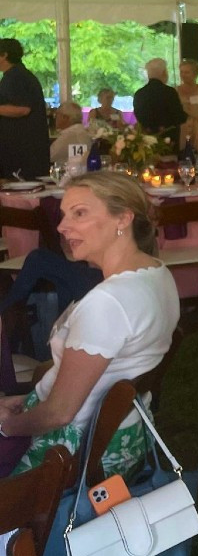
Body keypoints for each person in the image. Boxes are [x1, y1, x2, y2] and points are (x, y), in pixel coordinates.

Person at [0, 172, 179, 477]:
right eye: (64, 214)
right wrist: (25, 401)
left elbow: (59, 413)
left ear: (122, 219)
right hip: (125, 434)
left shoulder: (108, 303)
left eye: (79, 213)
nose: (61, 226)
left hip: (71, 450)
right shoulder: (157, 273)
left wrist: (7, 425)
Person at [0, 37, 50, 179]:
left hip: (23, 152)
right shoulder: (14, 76)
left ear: (4, 55)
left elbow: (22, 109)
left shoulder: (17, 77)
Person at [132, 57, 187, 151]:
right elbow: (179, 117)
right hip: (169, 141)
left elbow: (138, 116)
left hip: (147, 141)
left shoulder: (139, 94)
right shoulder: (169, 92)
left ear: (148, 74)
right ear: (164, 73)